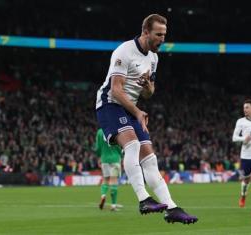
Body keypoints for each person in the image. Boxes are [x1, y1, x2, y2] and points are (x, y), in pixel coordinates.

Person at [95, 14, 198, 224]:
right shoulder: (124, 51)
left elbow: (147, 94)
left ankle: (172, 208)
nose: (162, 39)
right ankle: (144, 199)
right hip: (109, 104)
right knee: (132, 144)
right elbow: (115, 91)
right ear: (145, 32)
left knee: (150, 160)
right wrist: (138, 112)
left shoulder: (153, 58)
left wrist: (149, 89)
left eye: (164, 35)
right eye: (158, 34)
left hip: (130, 108)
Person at [95, 128, 123, 211]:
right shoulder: (115, 129)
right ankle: (113, 205)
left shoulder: (100, 131)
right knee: (113, 181)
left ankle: (103, 195)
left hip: (104, 159)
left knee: (105, 180)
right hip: (115, 159)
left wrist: (99, 156)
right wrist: (121, 156)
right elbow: (119, 146)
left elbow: (98, 147)